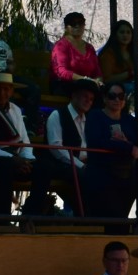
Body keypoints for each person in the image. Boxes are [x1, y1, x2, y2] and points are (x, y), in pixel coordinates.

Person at [83, 82, 138, 221]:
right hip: (102, 174)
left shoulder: (129, 120)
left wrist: (126, 144)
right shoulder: (95, 116)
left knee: (121, 218)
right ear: (105, 99)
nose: (117, 100)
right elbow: (96, 142)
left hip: (126, 176)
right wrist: (128, 147)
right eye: (112, 96)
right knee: (112, 217)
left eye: (121, 96)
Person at [0, 72, 36, 215]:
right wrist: (13, 159)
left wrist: (27, 160)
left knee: (44, 168)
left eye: (6, 89)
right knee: (6, 168)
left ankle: (31, 216)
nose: (2, 93)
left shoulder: (15, 109)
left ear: (11, 91)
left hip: (18, 158)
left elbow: (24, 140)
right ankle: (2, 217)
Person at [42, 79, 96, 216]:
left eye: (91, 99)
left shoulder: (88, 119)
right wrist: (79, 164)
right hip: (61, 165)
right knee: (85, 177)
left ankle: (102, 217)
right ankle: (86, 218)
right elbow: (56, 148)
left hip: (84, 164)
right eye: (85, 96)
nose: (88, 101)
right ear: (73, 95)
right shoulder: (57, 115)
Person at [51, 11, 102, 93]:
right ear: (66, 27)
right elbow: (61, 71)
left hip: (88, 85)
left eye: (81, 23)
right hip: (65, 84)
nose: (77, 26)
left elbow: (97, 71)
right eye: (73, 23)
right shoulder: (61, 46)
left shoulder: (89, 48)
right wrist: (85, 79)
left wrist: (99, 81)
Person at [96, 19, 137, 87]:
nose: (125, 35)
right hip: (115, 88)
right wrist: (129, 73)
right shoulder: (107, 54)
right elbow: (107, 79)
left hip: (132, 83)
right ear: (115, 34)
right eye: (122, 32)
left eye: (128, 32)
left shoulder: (132, 52)